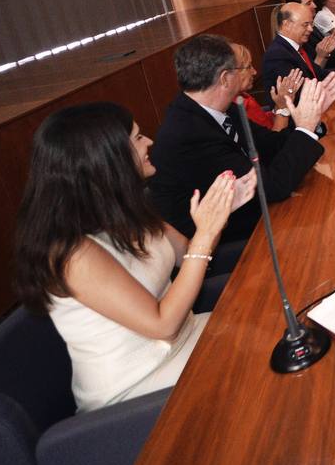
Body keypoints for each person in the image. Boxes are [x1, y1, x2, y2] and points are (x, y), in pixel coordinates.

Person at [13, 103, 249, 411]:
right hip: (138, 387)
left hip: (188, 338)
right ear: (106, 160)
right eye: (137, 138)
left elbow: (188, 254)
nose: (149, 141)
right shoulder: (72, 255)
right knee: (255, 362)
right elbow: (163, 325)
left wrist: (218, 214)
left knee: (266, 328)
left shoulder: (125, 211)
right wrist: (205, 234)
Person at [148, 34, 335, 244]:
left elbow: (271, 145)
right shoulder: (188, 134)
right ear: (225, 78)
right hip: (227, 242)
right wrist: (304, 128)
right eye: (239, 69)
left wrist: (311, 120)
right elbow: (272, 188)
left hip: (259, 217)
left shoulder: (222, 108)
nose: (254, 72)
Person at [282, 0, 335, 71]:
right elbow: (313, 70)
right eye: (308, 3)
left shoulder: (312, 27)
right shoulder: (297, 36)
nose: (315, 6)